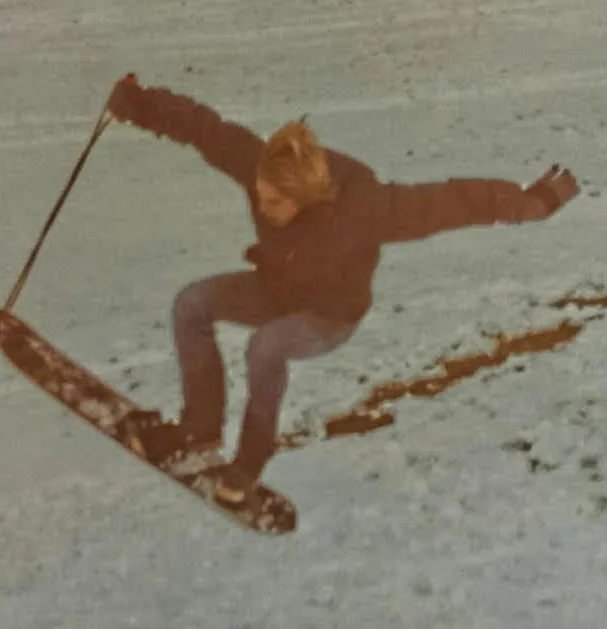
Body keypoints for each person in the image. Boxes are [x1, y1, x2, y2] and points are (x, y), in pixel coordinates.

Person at [105, 73, 580, 504]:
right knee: (192, 303)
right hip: (275, 289)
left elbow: (450, 202)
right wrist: (138, 104)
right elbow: (203, 127)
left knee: (265, 346)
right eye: (260, 197)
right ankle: (201, 430)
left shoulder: (364, 209)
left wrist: (527, 203)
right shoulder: (260, 168)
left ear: (306, 198)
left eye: (275, 203)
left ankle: (250, 459)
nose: (263, 207)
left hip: (329, 317)